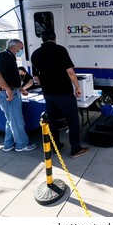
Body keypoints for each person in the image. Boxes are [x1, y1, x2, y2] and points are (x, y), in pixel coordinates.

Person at [31, 30, 89, 158]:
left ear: (42, 39)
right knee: (73, 121)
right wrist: (78, 87)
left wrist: (46, 84)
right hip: (63, 92)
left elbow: (36, 77)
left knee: (53, 121)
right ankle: (75, 149)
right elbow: (70, 72)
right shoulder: (60, 50)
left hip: (48, 94)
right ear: (54, 38)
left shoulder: (35, 54)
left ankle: (56, 146)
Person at [0, 39, 38, 152]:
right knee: (17, 120)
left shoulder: (9, 57)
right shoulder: (4, 56)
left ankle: (8, 144)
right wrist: (8, 89)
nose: (22, 50)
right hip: (7, 93)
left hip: (12, 90)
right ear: (13, 47)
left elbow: (8, 76)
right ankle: (22, 144)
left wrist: (19, 88)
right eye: (21, 48)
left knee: (11, 120)